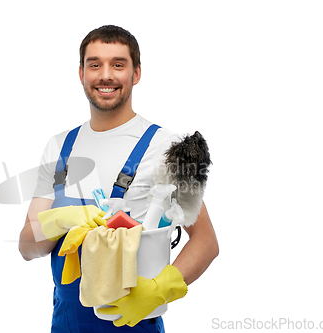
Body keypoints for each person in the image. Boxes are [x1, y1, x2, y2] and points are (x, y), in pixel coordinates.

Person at [19, 25, 219, 333]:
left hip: (135, 321)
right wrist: (61, 220)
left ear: (136, 73)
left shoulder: (165, 147)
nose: (105, 75)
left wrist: (161, 289)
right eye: (95, 64)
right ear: (82, 73)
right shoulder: (58, 146)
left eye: (118, 64)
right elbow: (27, 247)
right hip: (67, 323)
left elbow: (205, 241)